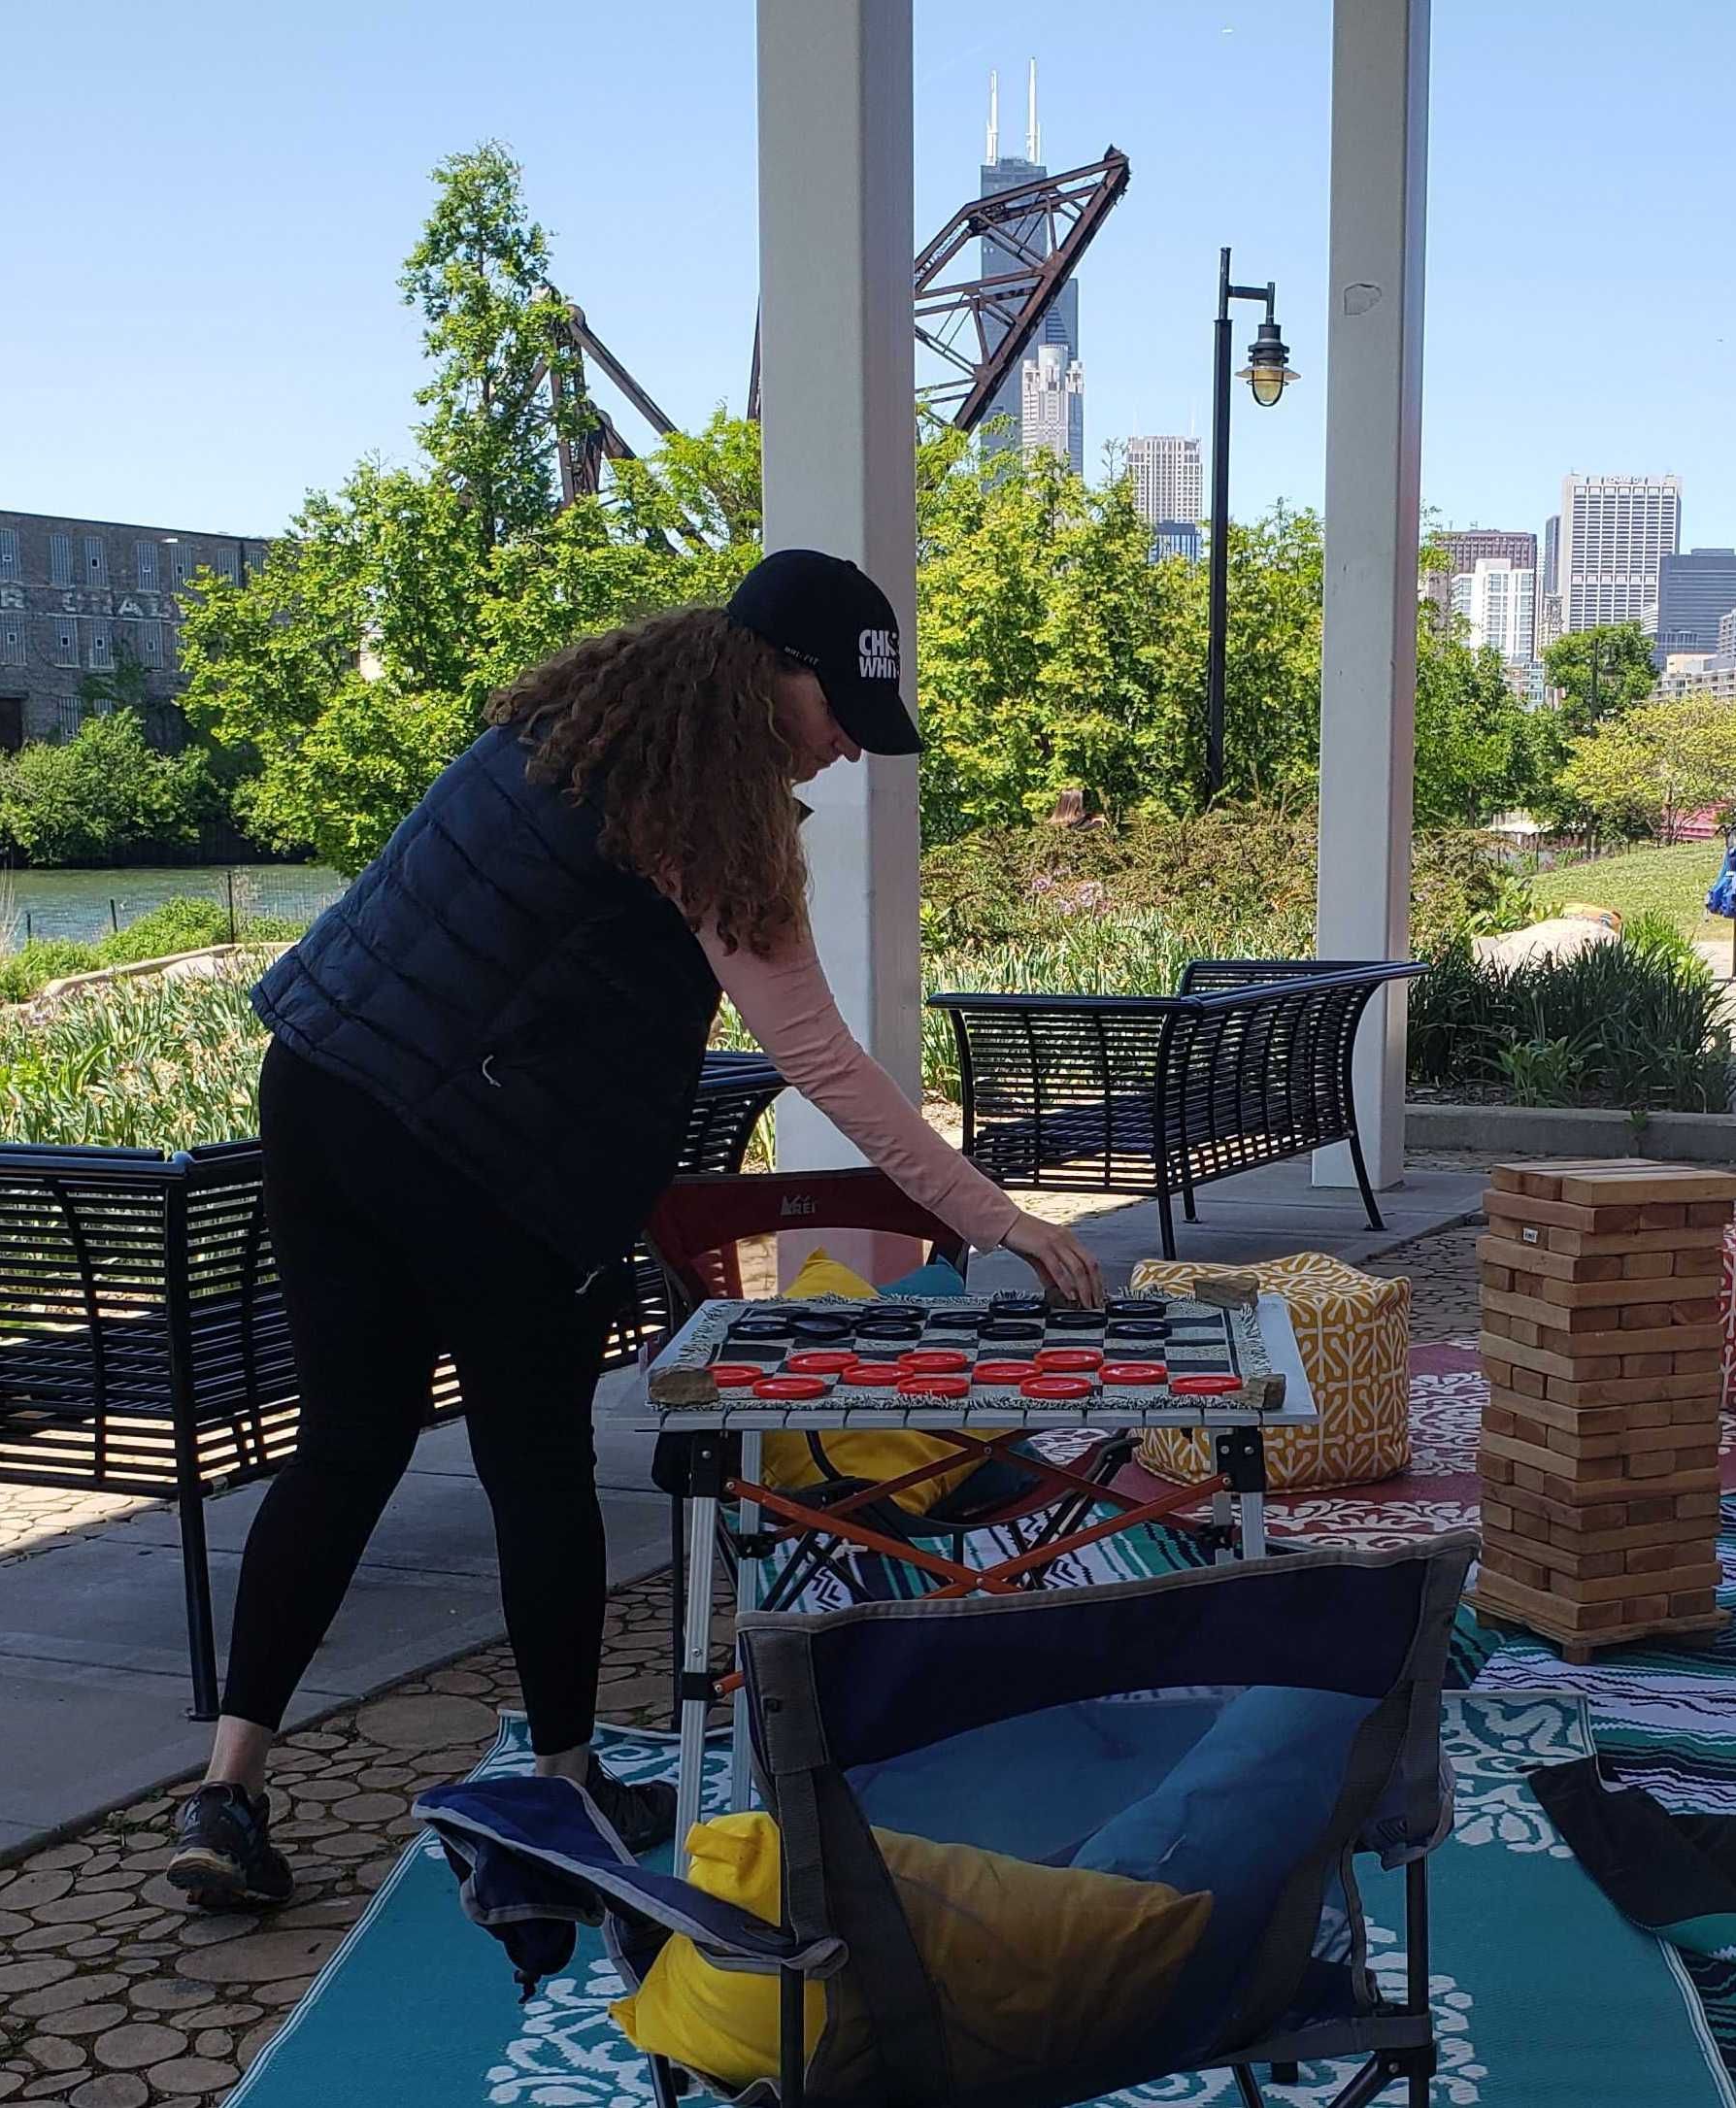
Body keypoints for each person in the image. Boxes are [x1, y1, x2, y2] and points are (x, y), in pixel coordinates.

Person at [165, 551, 1107, 1913]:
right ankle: (562, 1778)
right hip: (467, 1146)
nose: (843, 743)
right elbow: (822, 1061)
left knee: (347, 1446)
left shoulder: (563, 724)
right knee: (536, 1460)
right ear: (762, 671)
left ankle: (226, 1785)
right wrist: (995, 1216)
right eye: (834, 705)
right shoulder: (703, 808)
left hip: (320, 1086)